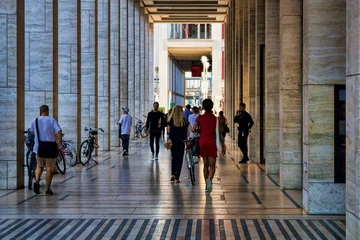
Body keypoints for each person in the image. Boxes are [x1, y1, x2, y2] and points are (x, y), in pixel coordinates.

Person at [190, 99, 226, 192]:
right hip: (211, 142)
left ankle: (206, 184)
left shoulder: (200, 118)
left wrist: (189, 127)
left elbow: (193, 129)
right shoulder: (216, 119)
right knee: (212, 165)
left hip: (202, 142)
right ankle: (210, 180)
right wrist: (223, 145)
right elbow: (220, 133)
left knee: (205, 165)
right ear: (212, 106)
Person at [31, 105, 62, 196]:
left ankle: (37, 180)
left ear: (40, 112)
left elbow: (32, 131)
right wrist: (59, 141)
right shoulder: (52, 120)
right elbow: (59, 131)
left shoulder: (35, 121)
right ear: (48, 111)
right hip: (50, 147)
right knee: (49, 169)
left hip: (39, 147)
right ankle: (48, 189)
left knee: (39, 165)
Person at [167, 105, 189, 183]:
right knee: (180, 159)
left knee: (174, 158)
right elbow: (187, 131)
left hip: (173, 141)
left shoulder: (171, 120)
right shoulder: (184, 121)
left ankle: (172, 174)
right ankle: (177, 177)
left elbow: (169, 131)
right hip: (181, 141)